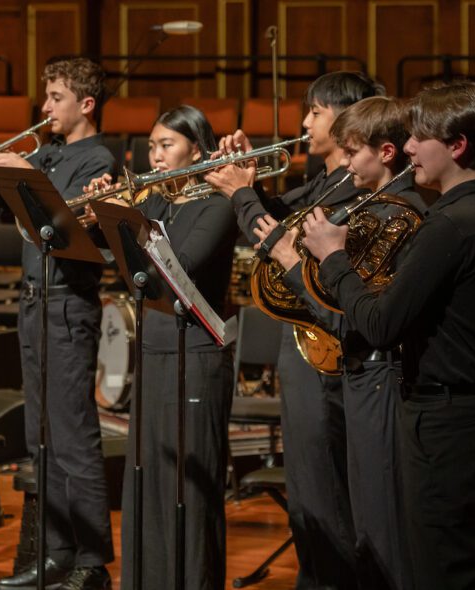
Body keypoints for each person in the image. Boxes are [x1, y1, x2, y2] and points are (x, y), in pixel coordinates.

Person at [302, 80, 475, 590]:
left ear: (457, 145)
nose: (409, 148)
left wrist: (333, 258)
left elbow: (380, 324)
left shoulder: (449, 228)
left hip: (445, 421)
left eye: (421, 137)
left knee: (439, 571)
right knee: (458, 566)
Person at [204, 71, 383, 588]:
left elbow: (282, 241)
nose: (304, 123)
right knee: (308, 495)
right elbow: (276, 213)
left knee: (325, 495)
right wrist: (247, 179)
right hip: (303, 352)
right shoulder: (327, 181)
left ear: (349, 119)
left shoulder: (357, 189)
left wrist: (244, 193)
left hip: (327, 355)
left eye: (316, 112)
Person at [253, 96, 427, 590]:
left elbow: (346, 312)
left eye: (353, 152)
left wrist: (294, 259)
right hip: (361, 376)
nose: (345, 164)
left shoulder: (398, 212)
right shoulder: (372, 204)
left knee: (382, 525)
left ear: (387, 152)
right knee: (367, 525)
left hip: (381, 376)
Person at [0, 57, 117, 590]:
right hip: (33, 302)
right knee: (41, 439)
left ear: (85, 104)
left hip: (67, 303)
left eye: (55, 97)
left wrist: (22, 173)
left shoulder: (97, 157)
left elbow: (58, 225)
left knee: (74, 437)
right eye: (46, 96)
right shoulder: (47, 151)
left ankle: (91, 560)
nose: (45, 107)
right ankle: (55, 552)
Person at [87, 105, 237, 589]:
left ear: (196, 149)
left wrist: (127, 222)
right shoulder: (156, 203)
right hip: (153, 349)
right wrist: (102, 218)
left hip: (196, 352)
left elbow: (182, 267)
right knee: (147, 480)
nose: (155, 156)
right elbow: (119, 261)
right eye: (151, 146)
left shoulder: (216, 204)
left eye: (166, 145)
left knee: (189, 489)